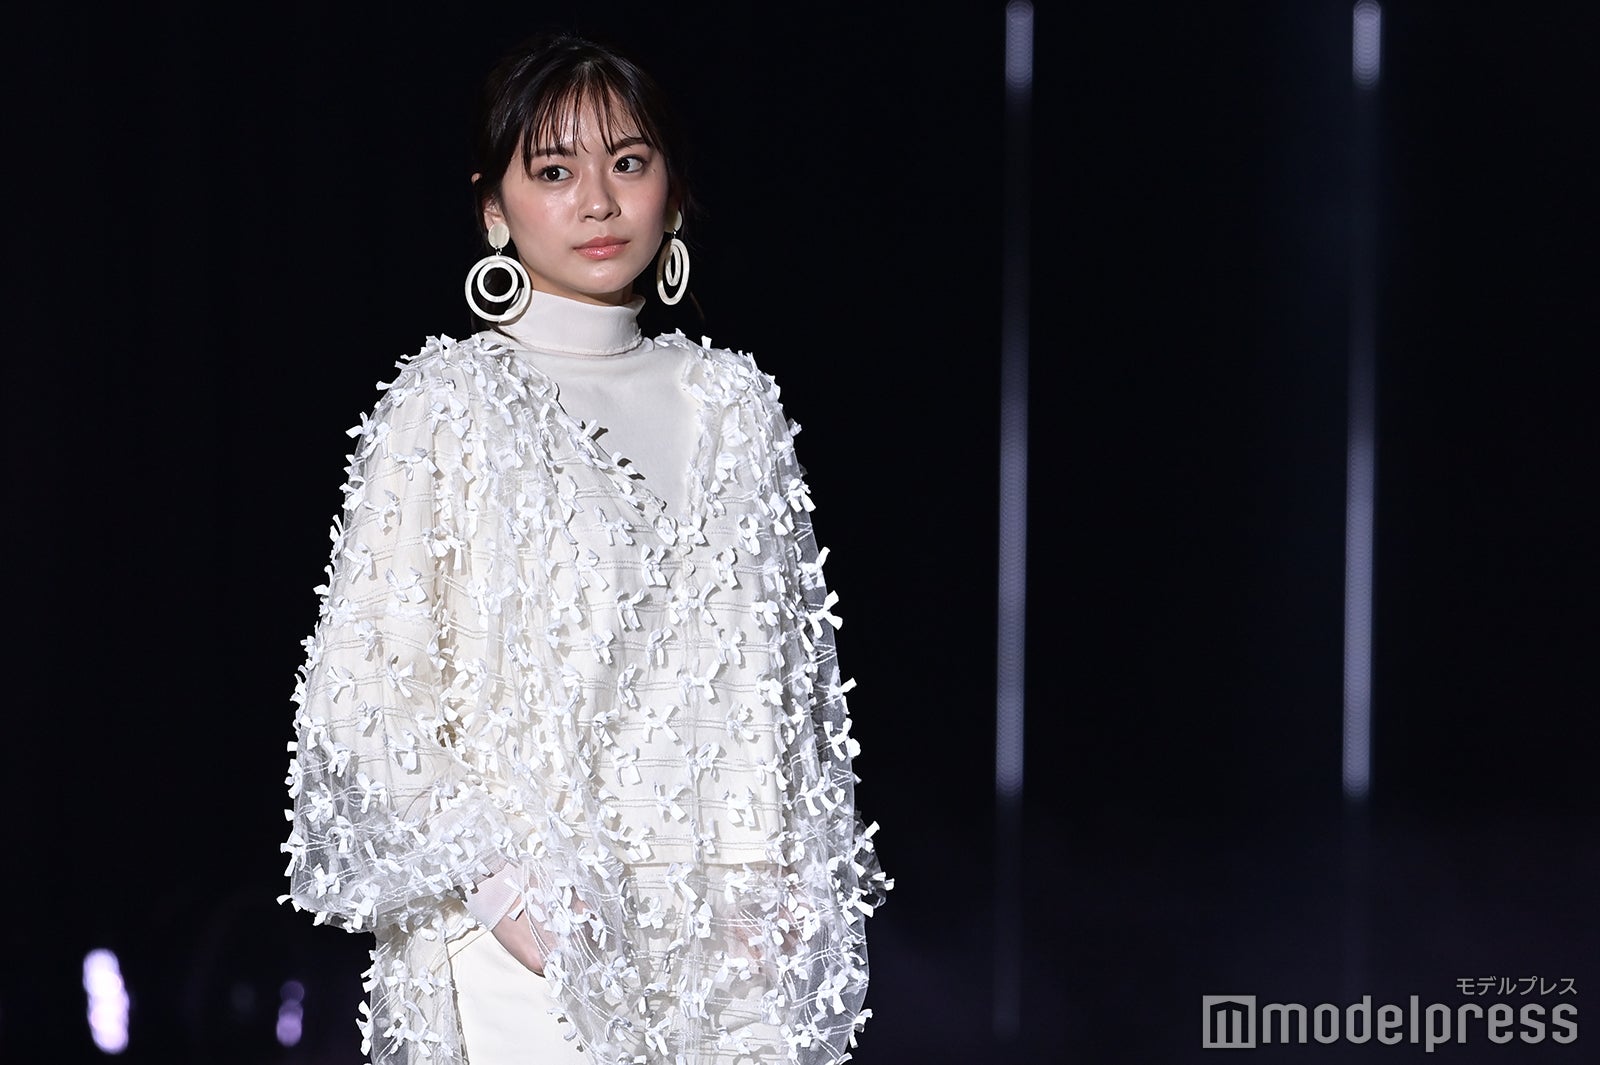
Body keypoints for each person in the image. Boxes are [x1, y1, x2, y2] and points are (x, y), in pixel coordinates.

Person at [279, 30, 890, 1065]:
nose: (598, 202)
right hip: (531, 946)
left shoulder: (733, 404)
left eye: (628, 162)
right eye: (555, 171)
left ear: (672, 191)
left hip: (723, 949)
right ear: (494, 209)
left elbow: (781, 686)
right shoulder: (450, 404)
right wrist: (503, 889)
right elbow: (362, 695)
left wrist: (779, 876)